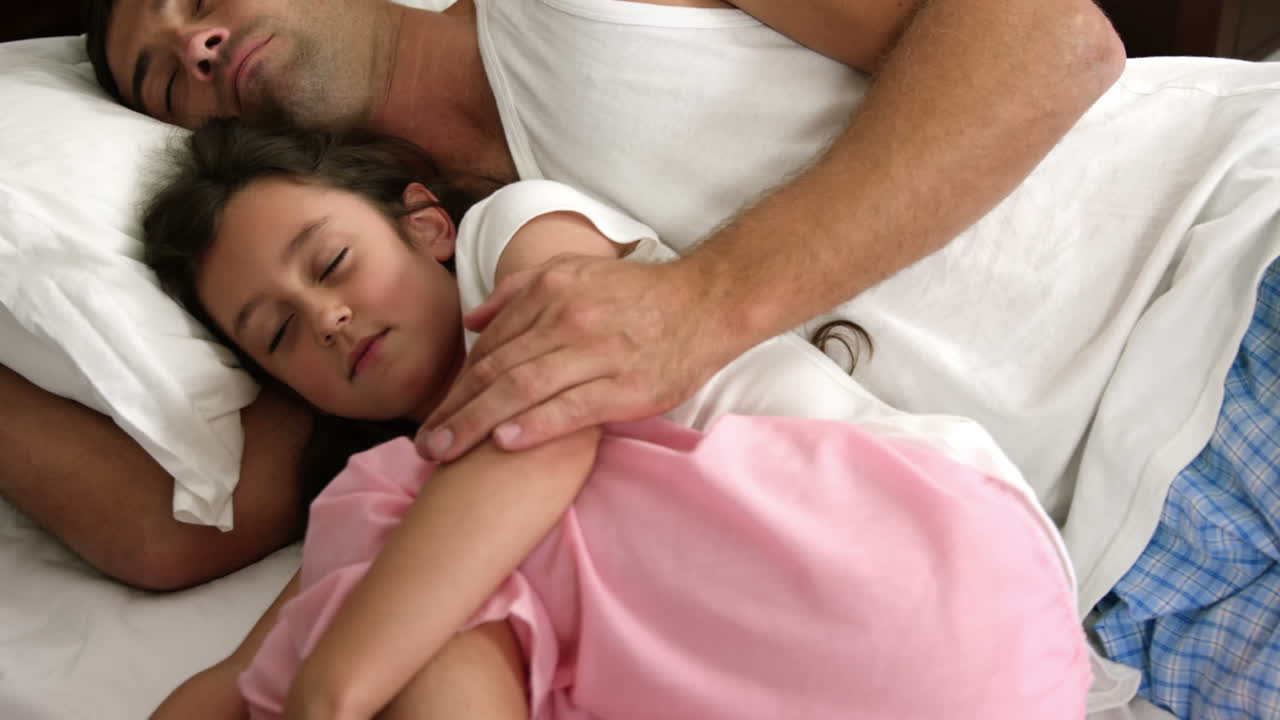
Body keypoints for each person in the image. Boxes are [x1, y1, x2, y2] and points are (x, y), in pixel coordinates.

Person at [0, 0, 1125, 590]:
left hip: (1201, 296)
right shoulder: (376, 276)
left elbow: (1047, 37)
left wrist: (704, 300)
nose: (193, 42)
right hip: (1094, 549)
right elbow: (178, 535)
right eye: (159, 77)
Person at [142, 118, 1089, 720]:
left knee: (397, 581)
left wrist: (327, 696)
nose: (326, 319)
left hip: (904, 570)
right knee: (383, 578)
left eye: (332, 264)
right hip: (917, 678)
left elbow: (541, 437)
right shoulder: (385, 500)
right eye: (278, 334)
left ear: (425, 224)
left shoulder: (510, 238)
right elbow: (239, 673)